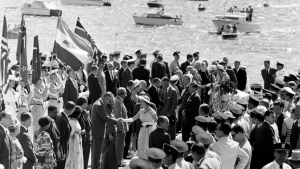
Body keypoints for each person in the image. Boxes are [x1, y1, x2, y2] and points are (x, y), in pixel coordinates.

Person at [90, 92, 122, 169]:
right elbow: (106, 117)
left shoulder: (99, 103)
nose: (109, 102)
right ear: (106, 98)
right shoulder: (99, 105)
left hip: (99, 131)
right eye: (109, 100)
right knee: (96, 154)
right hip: (98, 132)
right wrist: (117, 121)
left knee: (97, 154)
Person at [123, 95, 158, 159]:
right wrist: (123, 120)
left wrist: (148, 123)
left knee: (148, 145)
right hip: (142, 131)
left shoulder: (152, 111)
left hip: (150, 130)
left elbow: (157, 121)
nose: (139, 102)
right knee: (141, 145)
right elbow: (132, 119)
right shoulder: (141, 111)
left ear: (145, 102)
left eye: (141, 101)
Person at [55, 101, 73, 169]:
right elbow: (61, 137)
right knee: (61, 166)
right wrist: (63, 151)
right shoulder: (63, 119)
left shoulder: (61, 116)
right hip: (62, 148)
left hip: (61, 147)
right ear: (72, 110)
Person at [77, 97, 92, 169]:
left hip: (87, 138)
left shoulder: (85, 112)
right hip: (82, 138)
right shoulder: (77, 112)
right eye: (86, 103)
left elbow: (90, 124)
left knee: (86, 156)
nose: (87, 105)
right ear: (83, 104)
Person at [114, 88, 128, 167]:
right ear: (122, 94)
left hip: (121, 126)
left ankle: (120, 159)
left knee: (121, 144)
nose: (126, 95)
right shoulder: (118, 101)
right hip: (119, 128)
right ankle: (119, 161)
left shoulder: (119, 100)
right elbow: (118, 115)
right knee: (119, 145)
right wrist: (121, 128)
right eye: (125, 93)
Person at [123, 80, 135, 160]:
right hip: (128, 118)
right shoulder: (127, 94)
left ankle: (126, 152)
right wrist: (129, 119)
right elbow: (127, 107)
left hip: (128, 118)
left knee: (128, 137)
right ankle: (125, 153)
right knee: (127, 137)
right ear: (131, 85)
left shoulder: (128, 92)